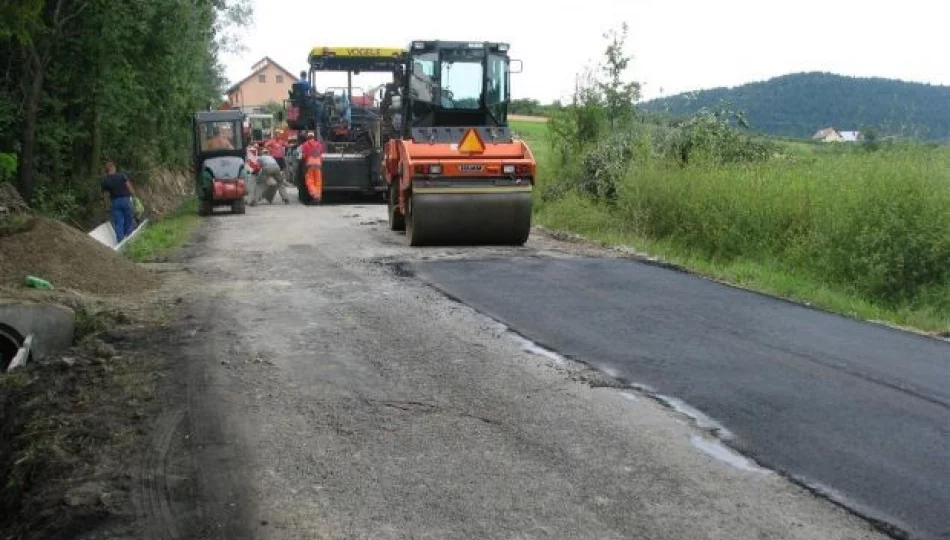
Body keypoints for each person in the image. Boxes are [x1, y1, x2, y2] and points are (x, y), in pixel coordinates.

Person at [101, 159, 137, 243]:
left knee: (119, 223)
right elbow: (129, 187)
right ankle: (129, 239)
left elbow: (105, 195)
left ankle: (121, 242)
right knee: (128, 219)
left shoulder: (105, 181)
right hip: (125, 200)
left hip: (115, 203)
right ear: (113, 168)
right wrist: (134, 197)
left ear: (106, 170)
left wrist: (107, 206)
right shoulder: (122, 176)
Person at [298, 131, 324, 203]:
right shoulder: (319, 144)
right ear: (313, 137)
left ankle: (315, 195)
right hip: (318, 164)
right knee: (318, 180)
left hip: (310, 164)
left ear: (307, 137)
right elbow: (321, 153)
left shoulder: (305, 144)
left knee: (310, 180)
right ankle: (318, 195)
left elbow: (303, 156)